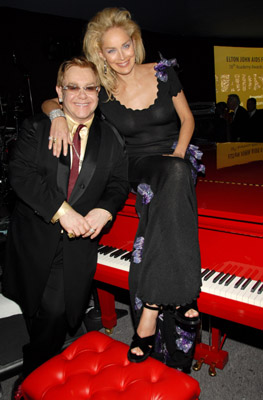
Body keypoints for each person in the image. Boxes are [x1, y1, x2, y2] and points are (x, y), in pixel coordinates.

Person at [42, 8, 203, 371]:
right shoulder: (104, 90)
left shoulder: (163, 72)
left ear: (136, 42)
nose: (122, 56)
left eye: (126, 45)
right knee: (173, 177)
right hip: (136, 167)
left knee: (175, 177)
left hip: (174, 159)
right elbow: (58, 98)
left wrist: (178, 155)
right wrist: (55, 117)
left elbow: (188, 119)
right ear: (100, 54)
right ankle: (178, 300)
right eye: (111, 50)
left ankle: (152, 308)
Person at [3, 56, 129, 399]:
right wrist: (62, 211)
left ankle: (33, 377)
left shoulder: (112, 138)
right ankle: (44, 360)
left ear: (99, 91)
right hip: (32, 240)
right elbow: (21, 176)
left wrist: (106, 208)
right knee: (33, 307)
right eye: (73, 87)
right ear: (59, 91)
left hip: (75, 248)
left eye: (90, 87)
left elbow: (119, 182)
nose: (82, 95)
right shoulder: (37, 127)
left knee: (57, 311)